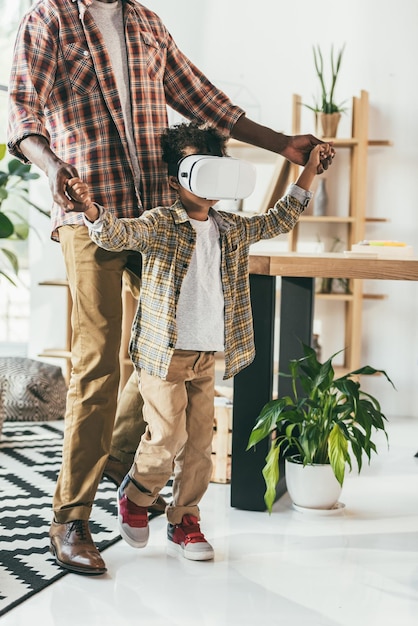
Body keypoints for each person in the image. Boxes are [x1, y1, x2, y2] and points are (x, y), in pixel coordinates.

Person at [7, 0, 334, 575]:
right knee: (98, 362)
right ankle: (71, 517)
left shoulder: (148, 23)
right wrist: (53, 166)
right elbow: (23, 107)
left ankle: (120, 461)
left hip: (161, 216)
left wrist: (284, 143)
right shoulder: (50, 18)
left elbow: (205, 100)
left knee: (167, 344)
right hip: (93, 215)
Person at [66, 122, 334, 561]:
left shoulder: (230, 227)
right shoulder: (160, 223)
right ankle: (136, 494)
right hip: (163, 353)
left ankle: (185, 518)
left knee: (198, 446)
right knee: (166, 433)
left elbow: (280, 218)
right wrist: (91, 210)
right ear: (175, 180)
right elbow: (118, 235)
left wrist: (308, 172)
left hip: (206, 355)